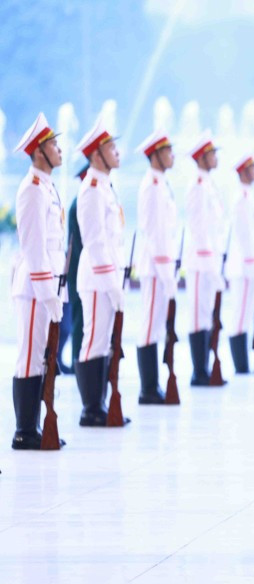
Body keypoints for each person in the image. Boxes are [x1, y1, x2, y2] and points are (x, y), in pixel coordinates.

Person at [9, 113, 67, 449]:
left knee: (40, 357)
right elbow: (34, 250)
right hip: (34, 289)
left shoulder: (46, 187)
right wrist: (48, 295)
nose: (60, 150)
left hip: (45, 288)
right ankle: (24, 431)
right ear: (39, 152)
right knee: (29, 357)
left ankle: (33, 427)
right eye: (54, 145)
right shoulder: (31, 190)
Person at [74, 116, 128, 427]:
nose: (116, 152)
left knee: (104, 340)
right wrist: (112, 285)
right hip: (97, 279)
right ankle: (90, 408)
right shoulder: (92, 189)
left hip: (106, 277)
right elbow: (94, 243)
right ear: (97, 154)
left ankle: (100, 404)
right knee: (93, 340)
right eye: (111, 147)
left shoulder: (105, 186)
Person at [134, 130, 178, 404]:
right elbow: (155, 232)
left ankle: (153, 386)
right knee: (149, 325)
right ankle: (148, 388)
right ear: (155, 155)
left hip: (161, 263)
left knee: (156, 324)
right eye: (167, 151)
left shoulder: (160, 183)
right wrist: (165, 271)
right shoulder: (151, 184)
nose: (172, 155)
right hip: (154, 265)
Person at [184, 129, 225, 386]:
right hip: (200, 262)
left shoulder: (208, 184)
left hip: (210, 261)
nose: (215, 157)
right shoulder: (197, 186)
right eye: (211, 153)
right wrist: (210, 264)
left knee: (207, 313)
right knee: (198, 315)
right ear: (201, 157)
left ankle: (206, 368)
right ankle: (199, 371)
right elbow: (199, 228)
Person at [224, 154, 254, 374]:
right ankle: (241, 366)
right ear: (243, 173)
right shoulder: (241, 198)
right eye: (252, 168)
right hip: (243, 267)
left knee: (246, 315)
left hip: (249, 265)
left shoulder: (249, 197)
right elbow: (244, 235)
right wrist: (253, 266)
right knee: (239, 316)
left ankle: (244, 364)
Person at [65, 163, 88, 373]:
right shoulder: (79, 203)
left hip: (82, 268)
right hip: (78, 269)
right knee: (79, 317)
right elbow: (79, 244)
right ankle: (76, 359)